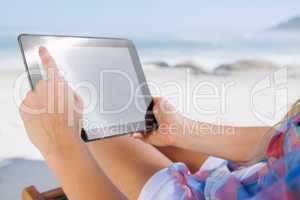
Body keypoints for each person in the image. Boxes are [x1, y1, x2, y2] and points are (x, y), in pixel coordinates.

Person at [19, 47, 300, 200]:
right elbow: (290, 140)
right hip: (252, 176)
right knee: (107, 120)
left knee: (92, 127)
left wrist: (62, 149)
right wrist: (187, 132)